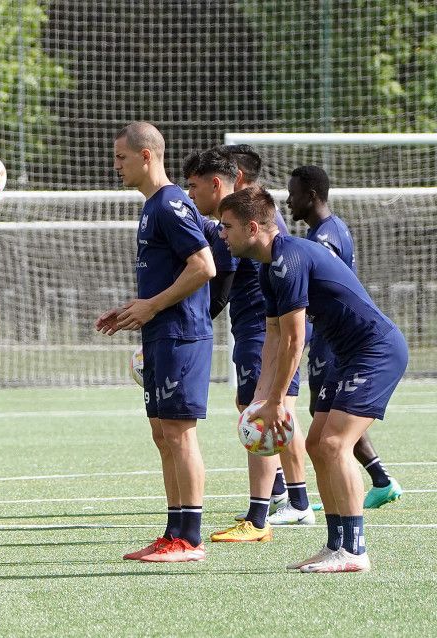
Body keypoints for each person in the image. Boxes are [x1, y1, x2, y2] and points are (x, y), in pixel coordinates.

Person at [218, 187, 408, 573]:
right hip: (348, 355)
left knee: (336, 442)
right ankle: (336, 544)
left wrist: (275, 401)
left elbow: (293, 339)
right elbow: (272, 335)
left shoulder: (288, 259)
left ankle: (355, 551)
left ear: (253, 227)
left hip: (376, 351)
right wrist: (260, 398)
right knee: (318, 444)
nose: (222, 234)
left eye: (227, 227)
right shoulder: (268, 267)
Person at [97, 122, 216, 562]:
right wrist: (135, 308)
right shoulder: (152, 206)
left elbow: (203, 266)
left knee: (180, 434)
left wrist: (153, 306)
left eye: (121, 157)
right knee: (162, 434)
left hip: (182, 333)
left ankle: (191, 538)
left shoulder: (170, 203)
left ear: (147, 156)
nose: (116, 166)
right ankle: (174, 532)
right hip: (162, 333)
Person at [183, 148, 301, 543]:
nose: (191, 194)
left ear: (218, 183)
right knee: (256, 409)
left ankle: (260, 517)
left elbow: (222, 285)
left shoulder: (241, 224)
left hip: (260, 329)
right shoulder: (235, 221)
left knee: (261, 412)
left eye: (194, 187)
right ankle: (281, 497)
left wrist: (189, 324)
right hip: (256, 327)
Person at [287, 165, 404, 509]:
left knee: (333, 433)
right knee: (324, 425)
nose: (288, 201)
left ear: (311, 196)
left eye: (293, 194)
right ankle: (373, 480)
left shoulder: (325, 237)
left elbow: (324, 292)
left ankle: (370, 485)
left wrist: (300, 335)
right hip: (333, 338)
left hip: (342, 342)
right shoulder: (321, 233)